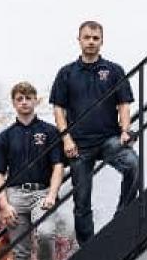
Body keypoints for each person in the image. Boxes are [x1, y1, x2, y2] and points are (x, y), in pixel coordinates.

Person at [49, 20, 137, 245]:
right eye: (86, 37)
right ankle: (88, 246)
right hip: (78, 145)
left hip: (109, 139)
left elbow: (124, 104)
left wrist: (125, 131)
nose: (91, 41)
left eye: (95, 38)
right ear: (78, 40)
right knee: (81, 201)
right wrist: (66, 139)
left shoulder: (114, 70)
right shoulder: (66, 73)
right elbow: (58, 110)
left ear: (102, 41)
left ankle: (122, 216)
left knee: (133, 165)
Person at [0, 81, 65, 260]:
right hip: (15, 196)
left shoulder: (49, 132)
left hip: (42, 193)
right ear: (14, 103)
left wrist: (51, 194)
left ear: (35, 100)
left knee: (45, 233)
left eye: (28, 98)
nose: (24, 102)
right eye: (19, 99)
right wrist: (3, 204)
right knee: (20, 254)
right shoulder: (5, 136)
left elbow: (58, 166)